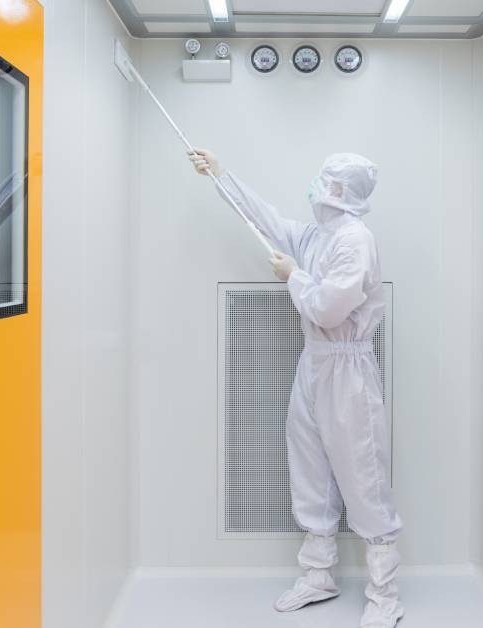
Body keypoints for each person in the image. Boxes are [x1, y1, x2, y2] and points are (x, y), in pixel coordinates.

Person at [188, 148, 404, 628]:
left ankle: (384, 593)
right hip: (315, 362)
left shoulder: (356, 240)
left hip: (348, 369)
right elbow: (265, 219)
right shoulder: (317, 235)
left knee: (361, 472)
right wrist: (221, 175)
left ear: (337, 190)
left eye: (322, 179)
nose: (314, 186)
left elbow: (328, 309)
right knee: (309, 464)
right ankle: (318, 575)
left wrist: (293, 277)